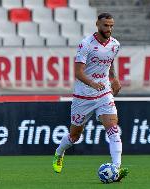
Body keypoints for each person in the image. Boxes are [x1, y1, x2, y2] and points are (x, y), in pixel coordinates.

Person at [52, 12, 128, 182]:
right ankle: (59, 152)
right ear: (97, 24)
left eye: (111, 25)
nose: (109, 29)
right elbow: (78, 72)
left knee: (113, 128)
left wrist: (114, 78)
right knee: (74, 136)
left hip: (104, 94)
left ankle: (116, 168)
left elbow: (109, 62)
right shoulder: (85, 44)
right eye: (106, 25)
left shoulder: (115, 44)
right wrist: (92, 83)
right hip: (83, 96)